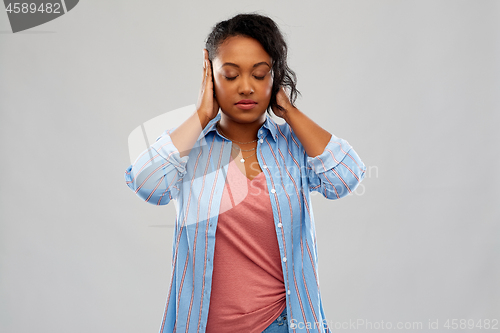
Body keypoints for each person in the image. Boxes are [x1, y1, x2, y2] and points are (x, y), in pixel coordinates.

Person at [125, 13, 366, 333]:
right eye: (231, 74)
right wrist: (200, 114)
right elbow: (148, 185)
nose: (246, 87)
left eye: (259, 74)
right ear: (210, 76)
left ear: (274, 78)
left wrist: (290, 112)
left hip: (281, 325)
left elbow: (346, 176)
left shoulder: (293, 147)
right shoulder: (187, 147)